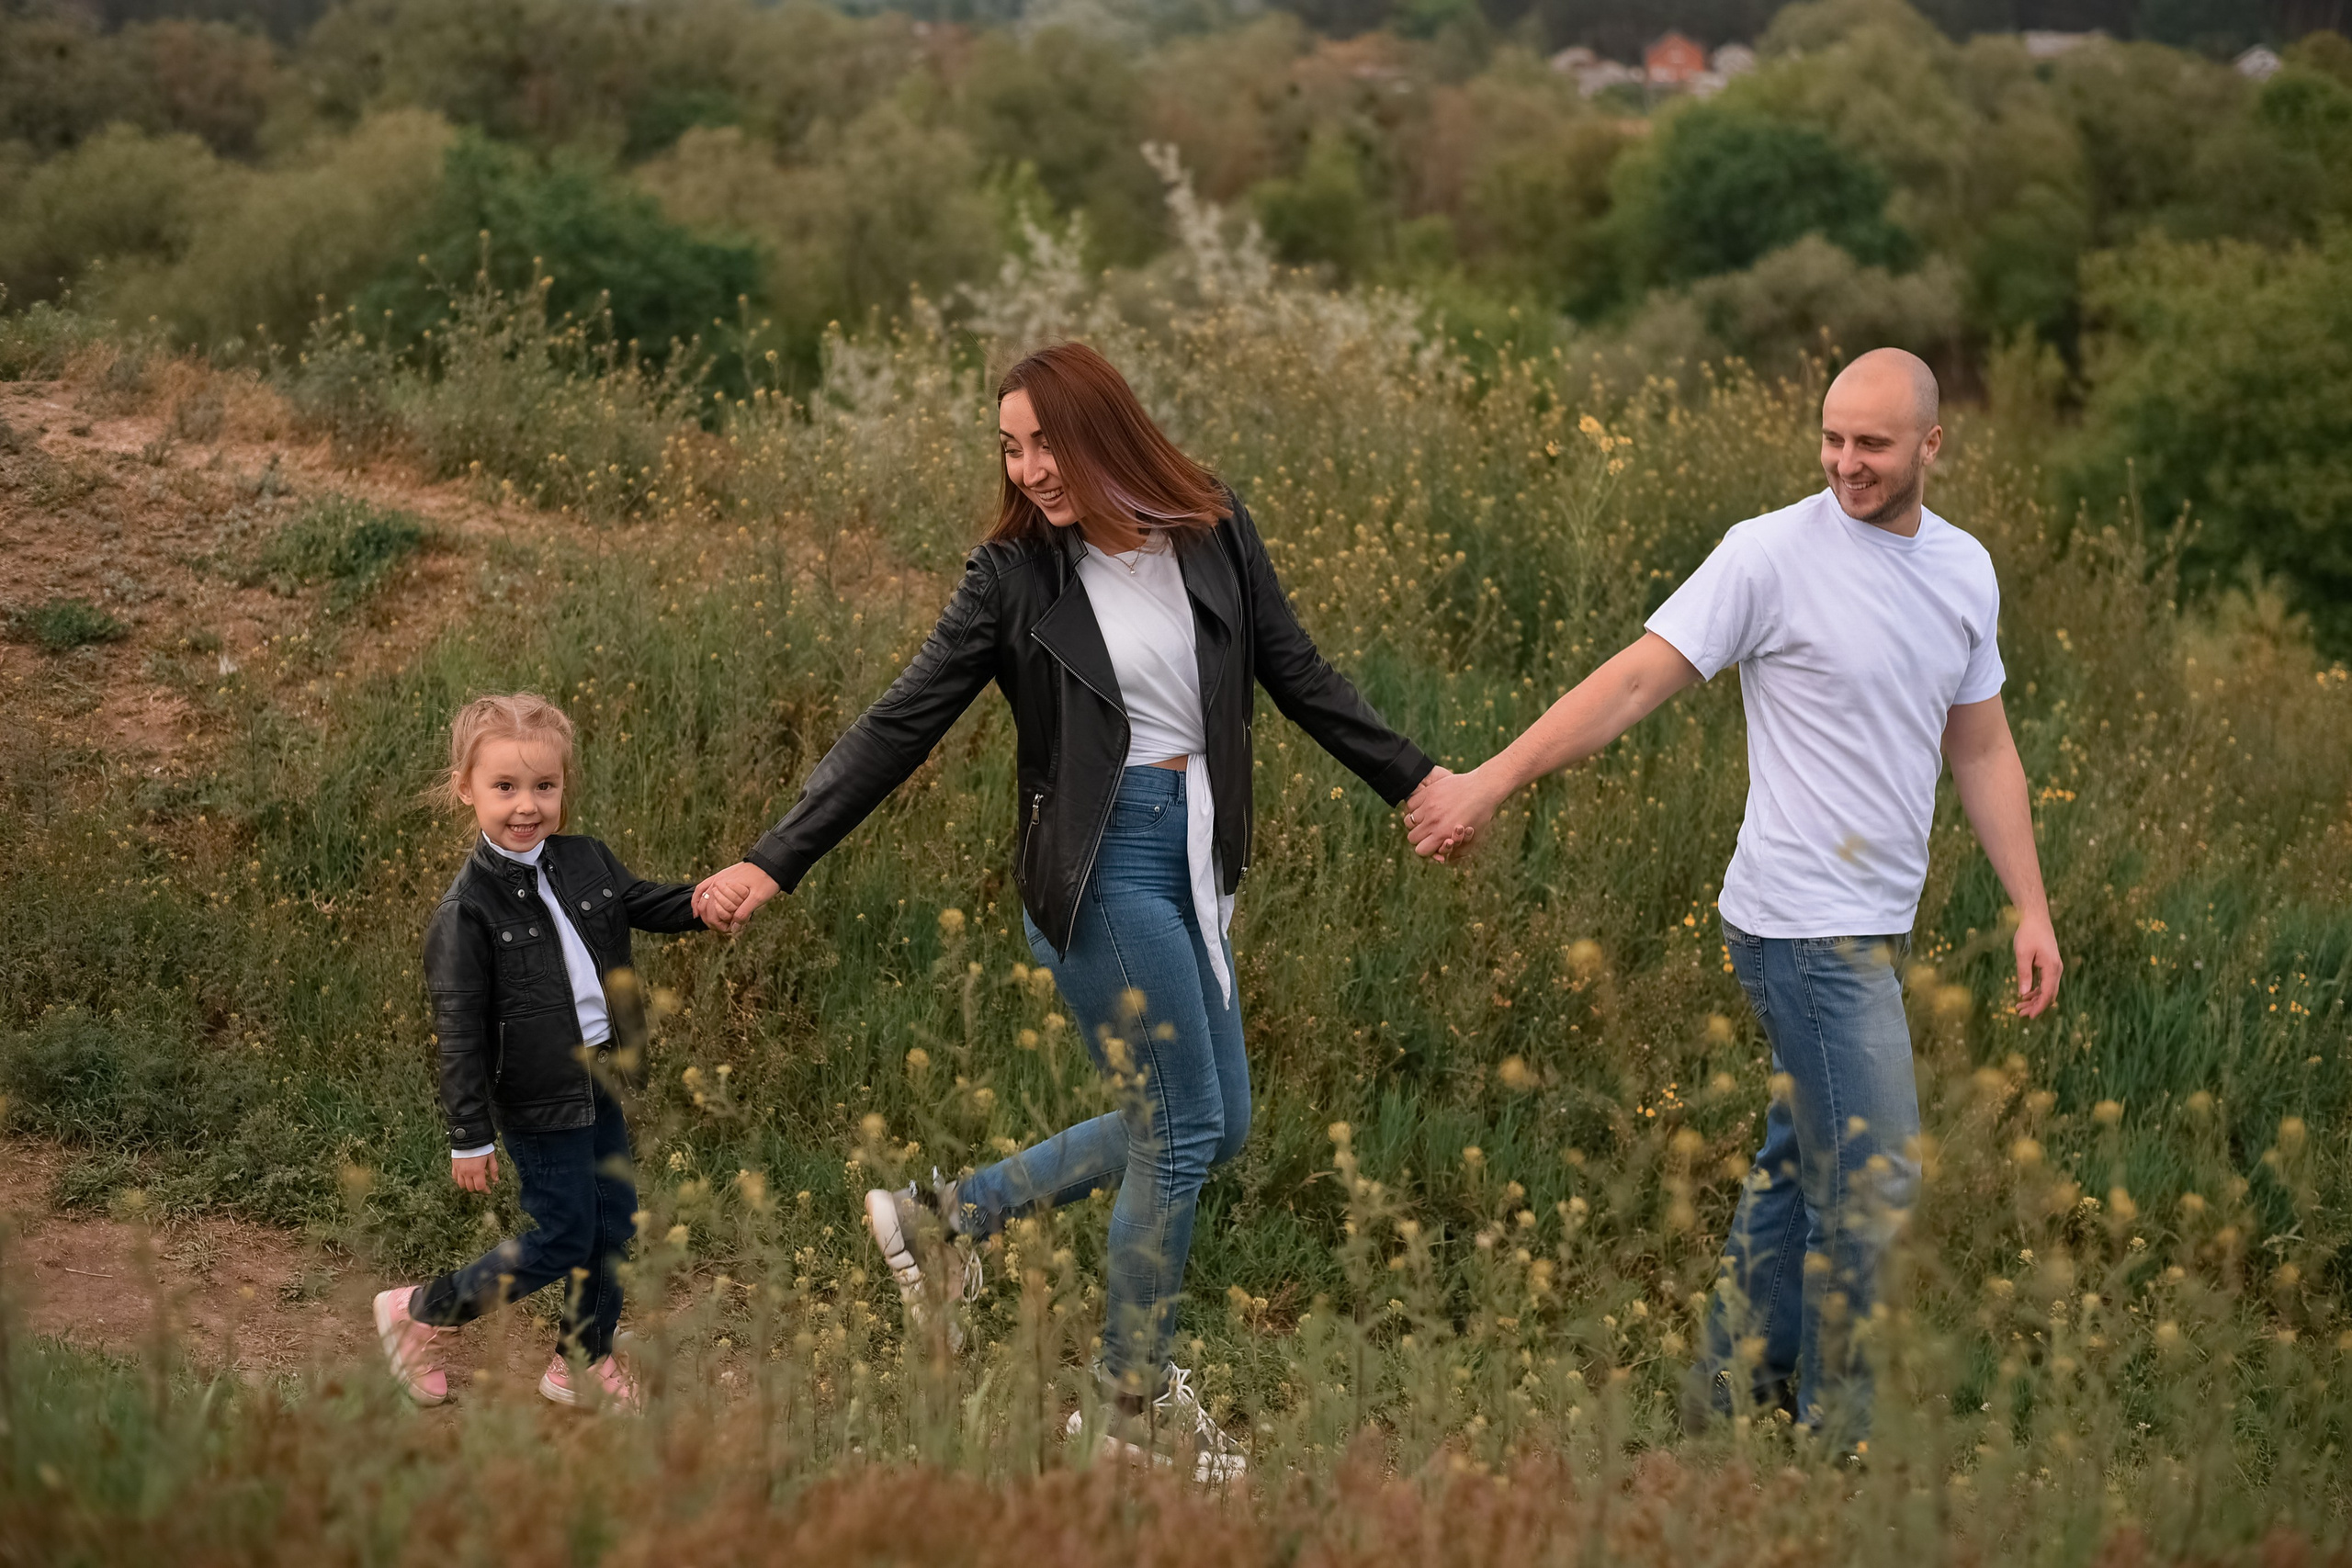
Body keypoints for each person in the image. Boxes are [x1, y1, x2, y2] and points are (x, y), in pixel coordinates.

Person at [695, 341, 1446, 1480]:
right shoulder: (1013, 576)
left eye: (1048, 442)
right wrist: (774, 860)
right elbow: (900, 724)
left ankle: (949, 1219)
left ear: (1107, 433)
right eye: (1011, 447)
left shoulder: (1211, 525)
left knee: (1213, 1126)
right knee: (1180, 1129)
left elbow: (1296, 672)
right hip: (1099, 865)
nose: (1031, 470)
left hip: (1194, 853)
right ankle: (1128, 1406)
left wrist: (1416, 781)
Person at [1403, 348, 2062, 1452]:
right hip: (1799, 924)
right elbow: (1633, 681)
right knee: (1877, 1183)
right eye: (1831, 438)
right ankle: (1840, 1442)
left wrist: (2028, 907)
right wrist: (1490, 781)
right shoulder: (1769, 554)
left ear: (1931, 445)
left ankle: (1727, 1395)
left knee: (1803, 1167)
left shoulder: (1963, 570)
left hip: (1873, 921)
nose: (1845, 463)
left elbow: (1982, 747)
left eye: (1872, 444)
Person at [372, 694, 708, 1411]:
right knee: (563, 1234)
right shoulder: (466, 911)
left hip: (600, 1075)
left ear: (563, 787)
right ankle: (419, 1311)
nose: (527, 805)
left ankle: (581, 1360)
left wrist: (709, 900)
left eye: (544, 785)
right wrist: (469, 1133)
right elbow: (459, 1029)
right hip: (535, 1093)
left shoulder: (585, 859)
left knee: (613, 1221)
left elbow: (646, 902)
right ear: (466, 788)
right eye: (505, 786)